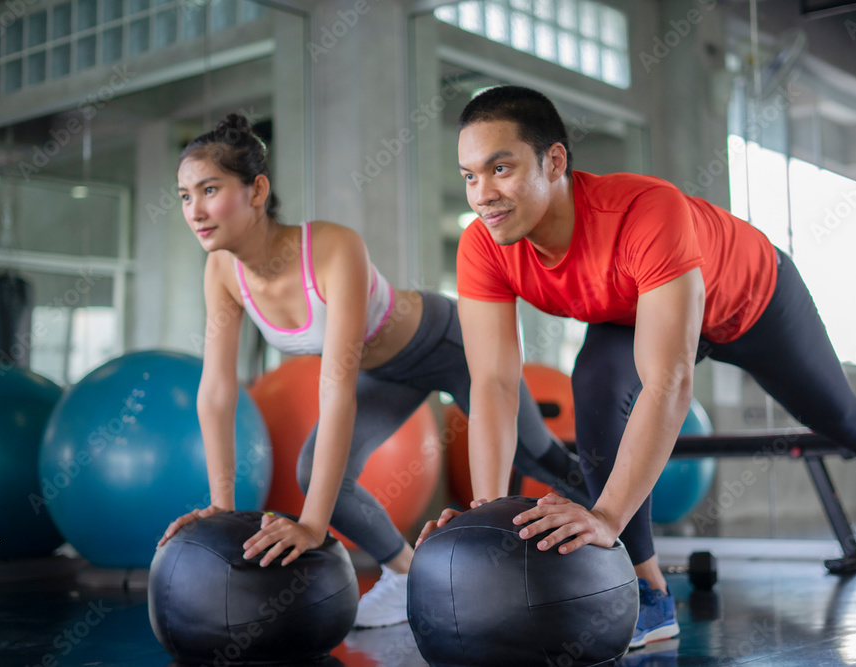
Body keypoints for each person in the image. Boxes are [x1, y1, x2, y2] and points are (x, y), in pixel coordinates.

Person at [419, 85, 856, 648]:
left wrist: (603, 516)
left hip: (752, 298)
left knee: (841, 419)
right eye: (469, 176)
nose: (482, 194)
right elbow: (494, 383)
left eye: (500, 168)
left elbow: (670, 381)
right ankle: (648, 587)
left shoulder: (643, 212)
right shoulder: (484, 246)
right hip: (633, 309)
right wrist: (486, 513)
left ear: (554, 160)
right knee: (597, 383)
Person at [156, 113, 589, 629]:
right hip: (385, 371)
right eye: (185, 196)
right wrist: (222, 510)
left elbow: (337, 389)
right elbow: (217, 391)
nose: (195, 210)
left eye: (209, 189)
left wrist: (314, 525)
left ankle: (615, 521)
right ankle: (407, 574)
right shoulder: (222, 272)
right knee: (315, 473)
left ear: (256, 190)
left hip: (446, 341)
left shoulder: (332, 248)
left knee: (533, 452)